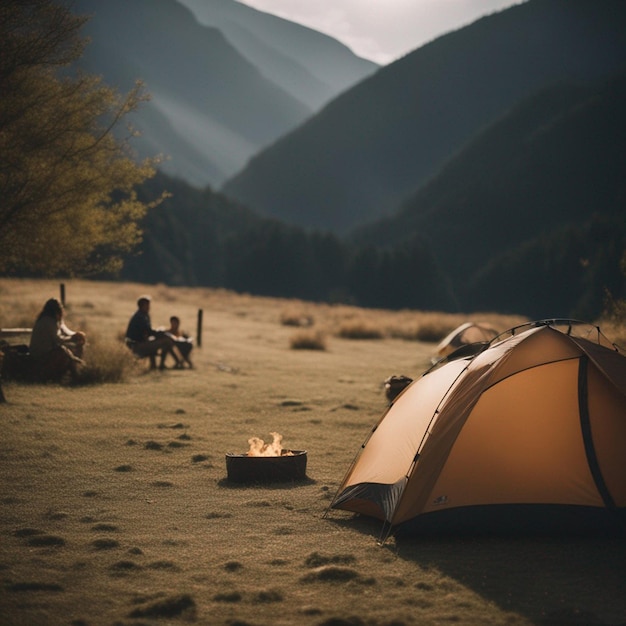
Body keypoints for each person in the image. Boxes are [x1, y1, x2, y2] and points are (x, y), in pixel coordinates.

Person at [29, 298, 86, 382]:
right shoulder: (49, 321)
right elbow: (58, 339)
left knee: (67, 349)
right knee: (62, 351)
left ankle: (75, 372)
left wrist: (75, 335)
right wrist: (72, 338)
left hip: (40, 353)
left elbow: (65, 330)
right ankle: (76, 374)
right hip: (41, 355)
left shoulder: (47, 319)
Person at [125, 296, 182, 370]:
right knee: (167, 341)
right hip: (137, 346)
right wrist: (162, 333)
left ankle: (156, 366)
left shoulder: (143, 315)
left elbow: (148, 333)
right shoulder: (140, 317)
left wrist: (161, 333)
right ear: (142, 306)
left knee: (162, 339)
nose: (149, 307)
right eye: (147, 305)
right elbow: (149, 332)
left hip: (140, 343)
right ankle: (173, 364)